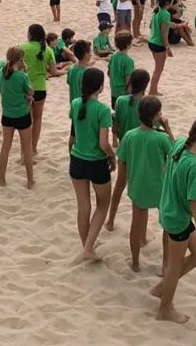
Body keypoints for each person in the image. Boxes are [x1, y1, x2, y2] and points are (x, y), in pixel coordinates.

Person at [151, 116, 196, 324]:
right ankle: (164, 309)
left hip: (171, 210)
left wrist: (169, 128)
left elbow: (172, 150)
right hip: (177, 218)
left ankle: (161, 289)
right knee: (175, 266)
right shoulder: (194, 167)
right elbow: (194, 205)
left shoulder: (181, 142)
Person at [115, 96, 173, 272]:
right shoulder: (161, 138)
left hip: (138, 186)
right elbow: (176, 154)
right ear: (156, 116)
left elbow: (122, 160)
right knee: (167, 227)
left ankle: (135, 262)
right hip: (160, 187)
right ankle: (165, 265)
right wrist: (168, 129)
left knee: (136, 224)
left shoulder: (129, 136)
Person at [69, 67, 115, 261]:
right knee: (103, 205)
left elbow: (72, 135)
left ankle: (87, 244)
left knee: (83, 206)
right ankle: (89, 247)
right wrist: (112, 157)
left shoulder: (75, 103)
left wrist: (70, 152)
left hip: (77, 159)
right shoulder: (103, 110)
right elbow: (104, 143)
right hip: (96, 162)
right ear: (101, 87)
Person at [0, 46, 35, 188]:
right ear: (20, 59)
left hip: (7, 114)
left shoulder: (3, 72)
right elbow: (31, 92)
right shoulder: (21, 76)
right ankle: (30, 180)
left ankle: (1, 178)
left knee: (5, 147)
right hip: (22, 114)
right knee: (26, 148)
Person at [21, 24, 61, 154]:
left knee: (27, 120)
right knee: (38, 119)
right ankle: (33, 148)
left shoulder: (22, 47)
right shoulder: (48, 50)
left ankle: (25, 149)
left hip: (25, 87)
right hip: (40, 88)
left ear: (31, 34)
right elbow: (54, 71)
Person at [148, 0, 173, 96]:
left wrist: (170, 24)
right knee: (158, 69)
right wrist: (168, 47)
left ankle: (153, 89)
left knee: (157, 68)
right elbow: (164, 33)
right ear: (168, 2)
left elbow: (150, 26)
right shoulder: (166, 14)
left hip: (151, 41)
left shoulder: (156, 11)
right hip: (159, 44)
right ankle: (152, 91)